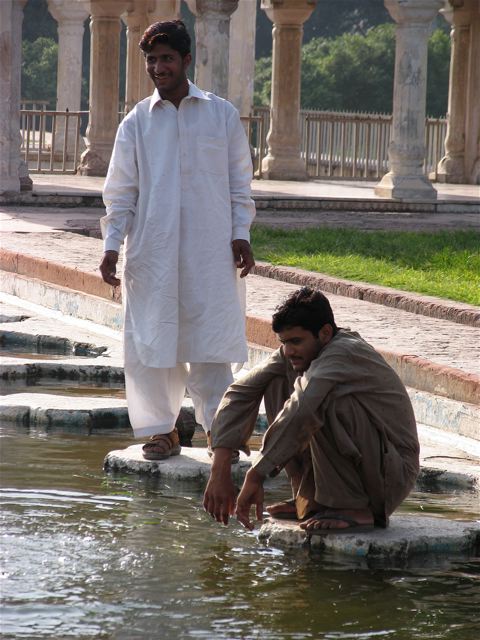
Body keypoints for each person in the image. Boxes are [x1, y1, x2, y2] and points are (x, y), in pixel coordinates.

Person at [99, 20, 255, 460]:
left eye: (166, 58)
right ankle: (161, 430)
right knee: (152, 344)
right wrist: (111, 245)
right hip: (152, 250)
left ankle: (221, 434)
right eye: (151, 59)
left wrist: (241, 233)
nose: (158, 67)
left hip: (210, 250)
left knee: (210, 345)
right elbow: (121, 191)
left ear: (187, 60)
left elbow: (239, 183)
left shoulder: (221, 115)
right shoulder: (136, 123)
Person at [203, 288, 420, 534]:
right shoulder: (298, 353)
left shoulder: (343, 352)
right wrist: (219, 468)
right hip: (370, 464)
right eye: (284, 342)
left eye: (296, 341)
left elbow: (302, 406)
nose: (288, 350)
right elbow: (240, 391)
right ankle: (310, 498)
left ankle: (355, 508)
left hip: (391, 474)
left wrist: (256, 474)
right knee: (274, 381)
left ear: (325, 333)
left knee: (319, 399)